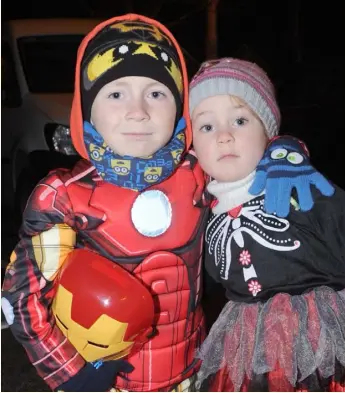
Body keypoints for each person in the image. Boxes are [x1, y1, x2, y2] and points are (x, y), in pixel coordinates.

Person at [0, 14, 335, 392]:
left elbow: (245, 144)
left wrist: (285, 152)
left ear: (179, 106)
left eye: (156, 93)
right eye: (115, 93)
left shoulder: (197, 172)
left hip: (193, 375)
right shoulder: (65, 197)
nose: (139, 111)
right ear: (86, 108)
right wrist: (69, 375)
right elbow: (21, 299)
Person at [189, 57, 345, 391]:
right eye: (206, 126)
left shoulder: (295, 187)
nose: (224, 136)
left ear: (268, 132)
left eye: (240, 120)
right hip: (246, 341)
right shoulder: (203, 209)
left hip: (318, 341)